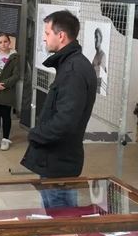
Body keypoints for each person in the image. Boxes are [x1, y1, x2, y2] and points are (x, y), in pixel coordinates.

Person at [21, 11, 97, 208]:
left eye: (47, 33)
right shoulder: (70, 64)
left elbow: (65, 121)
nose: (44, 38)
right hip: (55, 159)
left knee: (61, 219)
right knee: (54, 216)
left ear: (61, 35)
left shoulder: (74, 70)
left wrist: (35, 134)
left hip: (59, 162)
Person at [92, 27, 107, 95]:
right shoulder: (95, 56)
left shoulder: (103, 55)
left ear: (100, 40)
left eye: (97, 37)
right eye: (94, 37)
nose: (95, 40)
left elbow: (99, 74)